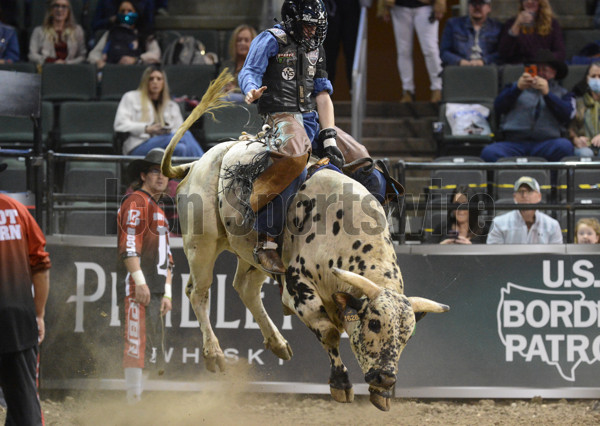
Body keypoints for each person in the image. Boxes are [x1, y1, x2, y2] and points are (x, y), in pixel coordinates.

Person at [238, 0, 345, 273]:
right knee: (296, 159)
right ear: (293, 22)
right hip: (280, 116)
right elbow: (249, 71)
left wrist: (330, 137)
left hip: (310, 118)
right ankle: (267, 240)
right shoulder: (270, 39)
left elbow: (322, 94)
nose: (312, 33)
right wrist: (250, 90)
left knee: (358, 156)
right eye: (308, 26)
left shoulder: (316, 48)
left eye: (316, 27)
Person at [117, 148, 173, 403]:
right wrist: (139, 282)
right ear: (143, 175)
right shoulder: (136, 202)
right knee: (136, 342)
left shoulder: (159, 211)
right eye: (155, 171)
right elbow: (129, 244)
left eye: (165, 172)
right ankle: (133, 403)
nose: (161, 176)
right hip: (140, 287)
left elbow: (168, 259)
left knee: (151, 347)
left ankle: (140, 399)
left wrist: (167, 293)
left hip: (156, 288)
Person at [0, 161, 51, 425]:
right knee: (24, 404)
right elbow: (41, 265)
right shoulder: (17, 210)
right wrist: (38, 314)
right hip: (19, 320)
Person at [480, 49, 574, 162]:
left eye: (545, 70)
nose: (540, 74)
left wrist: (548, 94)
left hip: (546, 143)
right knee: (490, 152)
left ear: (553, 73)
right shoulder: (514, 87)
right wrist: (517, 89)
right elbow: (498, 107)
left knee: (564, 146)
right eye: (537, 69)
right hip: (514, 143)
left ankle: (551, 180)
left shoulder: (562, 93)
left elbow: (567, 115)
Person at [114, 64, 204, 156]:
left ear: (164, 82)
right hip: (139, 145)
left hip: (165, 142)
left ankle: (189, 169)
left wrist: (166, 131)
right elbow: (120, 124)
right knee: (185, 135)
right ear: (145, 82)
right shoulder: (130, 97)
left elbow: (178, 129)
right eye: (151, 79)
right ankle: (205, 165)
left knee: (181, 148)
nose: (155, 82)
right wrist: (147, 129)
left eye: (159, 79)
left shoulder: (171, 105)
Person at [377, 0, 445, 103]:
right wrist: (384, 5)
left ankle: (437, 88)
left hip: (425, 6)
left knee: (430, 49)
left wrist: (440, 2)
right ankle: (407, 90)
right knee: (403, 51)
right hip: (400, 7)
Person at [486, 176, 563, 244]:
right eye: (521, 191)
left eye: (529, 191)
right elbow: (493, 257)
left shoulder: (553, 226)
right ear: (514, 197)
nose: (525, 195)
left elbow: (557, 257)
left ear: (539, 196)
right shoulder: (499, 223)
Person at [87, 0, 160, 70]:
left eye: (129, 11)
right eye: (122, 11)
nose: (126, 14)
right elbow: (93, 54)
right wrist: (98, 61)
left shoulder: (145, 34)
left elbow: (156, 54)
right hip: (112, 71)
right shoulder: (111, 33)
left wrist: (137, 60)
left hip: (136, 71)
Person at [498, 0, 565, 64]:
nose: (529, 1)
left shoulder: (552, 24)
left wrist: (545, 59)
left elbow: (560, 53)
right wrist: (517, 25)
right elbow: (504, 53)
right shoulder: (511, 23)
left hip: (542, 67)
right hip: (517, 68)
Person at [440, 0, 502, 67]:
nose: (477, 7)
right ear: (468, 6)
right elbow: (444, 52)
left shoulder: (497, 27)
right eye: (473, 3)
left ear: (489, 7)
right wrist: (460, 61)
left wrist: (483, 61)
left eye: (481, 4)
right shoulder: (453, 24)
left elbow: (501, 54)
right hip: (459, 70)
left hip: (487, 70)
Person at [28, 0, 87, 65]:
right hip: (47, 69)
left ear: (68, 11)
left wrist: (66, 63)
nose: (60, 9)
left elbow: (82, 56)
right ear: (51, 9)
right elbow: (32, 55)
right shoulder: (38, 31)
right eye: (56, 6)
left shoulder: (77, 30)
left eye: (64, 6)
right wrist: (50, 61)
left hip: (70, 70)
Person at [322, 0, 363, 86]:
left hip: (351, 7)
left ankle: (354, 89)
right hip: (330, 6)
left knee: (352, 51)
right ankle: (326, 91)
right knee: (329, 54)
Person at [569, 61, 600, 157]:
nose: (597, 79)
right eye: (593, 76)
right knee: (586, 154)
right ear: (587, 79)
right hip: (584, 146)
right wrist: (575, 139)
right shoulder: (577, 102)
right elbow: (569, 128)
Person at [220, 24, 257, 102]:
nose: (242, 43)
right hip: (225, 97)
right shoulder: (226, 65)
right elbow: (218, 86)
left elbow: (255, 90)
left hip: (246, 100)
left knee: (223, 99)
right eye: (239, 40)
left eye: (246, 40)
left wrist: (235, 89)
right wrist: (224, 88)